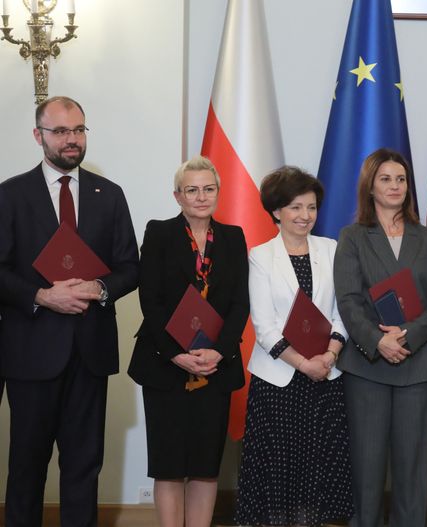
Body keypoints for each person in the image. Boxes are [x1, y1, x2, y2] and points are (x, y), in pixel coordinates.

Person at [0, 96, 140, 527]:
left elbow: (130, 267)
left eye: (78, 130)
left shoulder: (109, 194)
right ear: (38, 135)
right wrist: (42, 296)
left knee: (83, 466)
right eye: (60, 131)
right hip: (30, 353)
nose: (71, 139)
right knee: (27, 467)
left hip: (89, 352)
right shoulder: (10, 194)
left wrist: (100, 288)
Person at [334, 148, 427, 527]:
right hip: (367, 367)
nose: (395, 186)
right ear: (370, 187)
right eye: (385, 179)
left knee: (412, 470)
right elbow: (348, 300)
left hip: (419, 365)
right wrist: (378, 341)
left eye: (401, 179)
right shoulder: (352, 237)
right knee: (366, 468)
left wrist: (406, 336)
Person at [127, 156, 249, 527]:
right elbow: (150, 300)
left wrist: (219, 352)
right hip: (165, 366)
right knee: (168, 466)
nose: (201, 197)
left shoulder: (233, 237)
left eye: (208, 189)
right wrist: (176, 354)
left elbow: (240, 303)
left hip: (215, 367)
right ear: (177, 196)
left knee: (205, 466)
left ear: (218, 192)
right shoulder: (160, 233)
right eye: (192, 190)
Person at [234, 166, 352, 526]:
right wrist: (304, 364)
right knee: (277, 468)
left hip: (326, 377)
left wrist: (329, 355)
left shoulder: (331, 249)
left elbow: (342, 312)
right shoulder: (260, 256)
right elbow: (264, 326)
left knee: (318, 466)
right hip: (278, 379)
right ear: (276, 211)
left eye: (311, 207)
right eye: (296, 207)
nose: (305, 215)